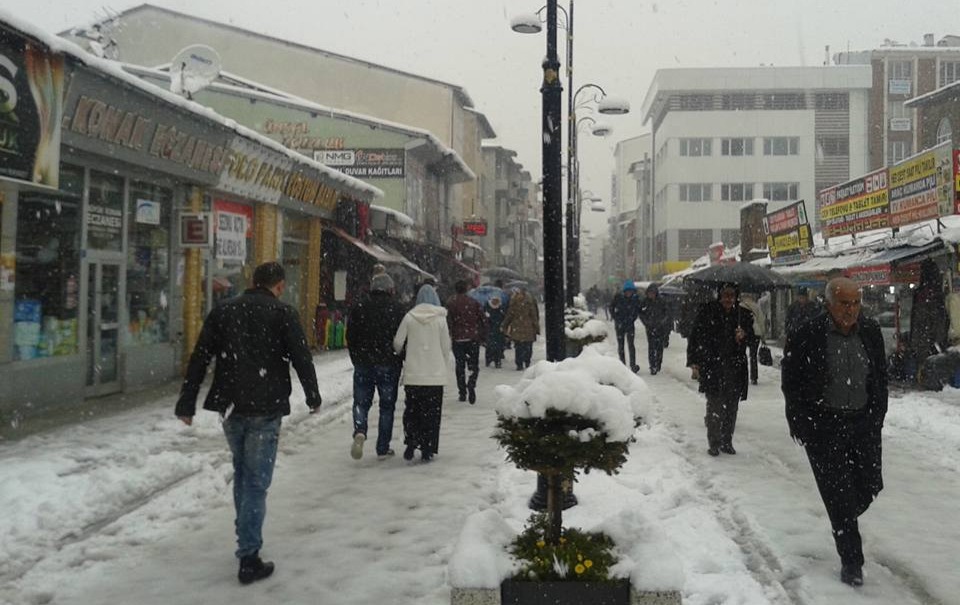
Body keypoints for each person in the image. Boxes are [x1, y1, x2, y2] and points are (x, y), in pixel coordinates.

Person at [175, 261, 321, 585]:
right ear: (279, 286)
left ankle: (245, 540)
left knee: (243, 472)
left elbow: (200, 357)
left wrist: (187, 402)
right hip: (265, 407)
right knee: (256, 481)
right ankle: (249, 556)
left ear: (253, 281)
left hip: (231, 406)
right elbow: (301, 357)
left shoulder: (224, 312)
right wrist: (313, 395)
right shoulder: (283, 314)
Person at [781, 277, 887, 587]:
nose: (850, 310)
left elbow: (879, 377)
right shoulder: (808, 334)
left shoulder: (870, 332)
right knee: (839, 495)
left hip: (864, 425)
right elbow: (792, 382)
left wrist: (878, 415)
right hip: (824, 427)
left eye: (855, 303)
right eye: (844, 303)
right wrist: (802, 424)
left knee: (869, 485)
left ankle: (845, 516)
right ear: (829, 304)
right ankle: (851, 559)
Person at [687, 283, 754, 456]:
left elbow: (753, 341)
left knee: (731, 408)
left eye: (732, 296)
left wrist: (744, 336)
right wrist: (694, 361)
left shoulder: (743, 316)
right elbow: (695, 337)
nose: (728, 299)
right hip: (713, 367)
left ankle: (727, 441)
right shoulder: (707, 312)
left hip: (735, 369)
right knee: (715, 407)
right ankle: (714, 443)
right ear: (720, 296)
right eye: (725, 295)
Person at [347, 273, 406, 460]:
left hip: (363, 362)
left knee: (361, 402)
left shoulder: (359, 307)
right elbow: (402, 339)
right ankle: (383, 446)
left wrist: (356, 357)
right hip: (388, 363)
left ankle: (360, 430)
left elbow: (351, 336)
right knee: (387, 406)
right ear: (390, 289)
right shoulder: (397, 309)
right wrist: (400, 358)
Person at [393, 284, 452, 462]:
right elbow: (446, 347)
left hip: (413, 375)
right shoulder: (441, 320)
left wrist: (403, 353)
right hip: (435, 376)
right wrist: (441, 363)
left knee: (412, 410)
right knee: (432, 414)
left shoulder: (409, 317)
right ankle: (428, 448)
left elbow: (397, 342)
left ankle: (411, 441)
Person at [446, 280, 487, 403]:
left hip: (458, 338)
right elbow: (483, 320)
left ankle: (462, 392)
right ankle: (471, 382)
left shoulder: (451, 303)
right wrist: (483, 336)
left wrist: (451, 332)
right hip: (472, 338)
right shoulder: (474, 303)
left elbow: (448, 321)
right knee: (473, 365)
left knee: (460, 366)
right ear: (466, 289)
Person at [909, 259, 948, 379]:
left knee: (924, 359)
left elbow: (916, 318)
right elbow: (940, 319)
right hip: (929, 334)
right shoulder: (936, 293)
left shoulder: (921, 293)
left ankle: (924, 376)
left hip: (923, 335)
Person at [500, 285, 540, 371]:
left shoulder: (514, 302)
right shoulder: (530, 302)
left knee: (519, 347)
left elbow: (509, 315)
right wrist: (536, 327)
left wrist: (504, 325)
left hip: (517, 327)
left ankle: (519, 363)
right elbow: (534, 316)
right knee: (527, 346)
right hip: (528, 327)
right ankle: (526, 361)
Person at [638, 283, 672, 375]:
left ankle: (658, 363)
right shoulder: (645, 301)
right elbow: (640, 313)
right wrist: (646, 322)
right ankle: (652, 366)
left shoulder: (661, 301)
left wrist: (662, 321)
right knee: (651, 347)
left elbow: (667, 313)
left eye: (653, 293)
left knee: (659, 346)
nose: (651, 295)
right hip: (650, 327)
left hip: (660, 327)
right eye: (649, 293)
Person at [609, 280, 641, 372]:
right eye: (628, 291)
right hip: (620, 325)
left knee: (631, 345)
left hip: (630, 324)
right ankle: (622, 364)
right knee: (621, 345)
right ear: (624, 291)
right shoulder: (618, 298)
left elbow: (637, 310)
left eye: (631, 291)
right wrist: (616, 318)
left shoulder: (635, 299)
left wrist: (633, 318)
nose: (629, 293)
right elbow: (611, 307)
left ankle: (632, 364)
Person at [739, 292, 766, 385]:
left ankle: (742, 375)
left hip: (744, 332)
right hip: (755, 333)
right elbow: (761, 321)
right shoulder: (756, 306)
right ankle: (754, 377)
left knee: (742, 355)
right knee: (753, 356)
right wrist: (763, 335)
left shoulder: (739, 306)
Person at [484, 296, 507, 368]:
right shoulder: (487, 307)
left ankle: (497, 361)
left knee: (498, 347)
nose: (495, 302)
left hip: (498, 330)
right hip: (490, 330)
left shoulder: (501, 308)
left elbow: (504, 318)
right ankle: (489, 359)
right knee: (490, 346)